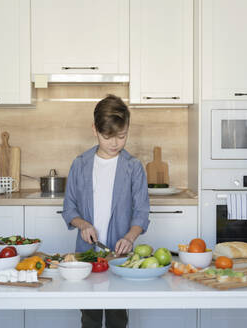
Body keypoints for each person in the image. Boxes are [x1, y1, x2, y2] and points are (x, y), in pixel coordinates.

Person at [62, 94, 150, 328]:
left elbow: (141, 212)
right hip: (86, 256)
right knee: (89, 317)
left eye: (121, 136)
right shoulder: (80, 164)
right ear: (94, 129)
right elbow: (69, 207)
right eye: (107, 136)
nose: (114, 143)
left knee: (117, 318)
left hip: (120, 258)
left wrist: (130, 238)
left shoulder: (133, 167)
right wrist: (83, 224)